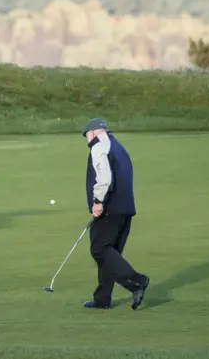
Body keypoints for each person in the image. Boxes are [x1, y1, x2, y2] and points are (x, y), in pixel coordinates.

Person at [81, 118, 150, 310]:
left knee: (99, 249)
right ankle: (103, 298)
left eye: (86, 136)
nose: (87, 140)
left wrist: (97, 202)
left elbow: (104, 178)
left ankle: (136, 281)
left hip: (110, 208)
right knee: (111, 253)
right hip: (126, 208)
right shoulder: (119, 147)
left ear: (93, 132)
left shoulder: (99, 147)